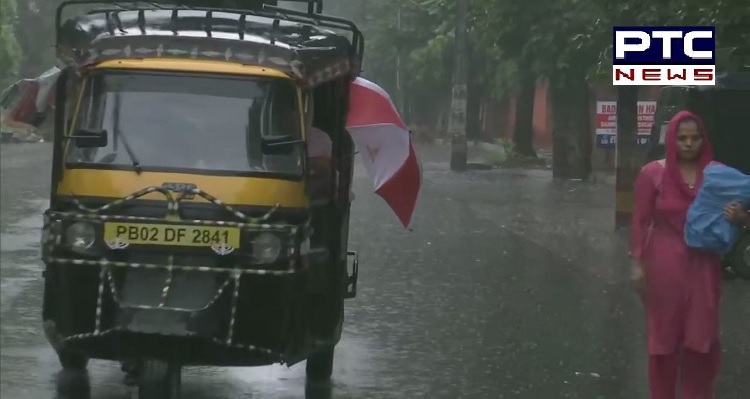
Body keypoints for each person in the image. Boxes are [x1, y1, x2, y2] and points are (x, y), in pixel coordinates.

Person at [629, 110, 748, 399]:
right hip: (663, 264)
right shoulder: (653, 174)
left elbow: (745, 206)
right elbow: (640, 220)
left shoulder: (718, 174)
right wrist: (637, 264)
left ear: (703, 140)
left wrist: (741, 217)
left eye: (695, 138)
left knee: (701, 339)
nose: (688, 144)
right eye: (682, 138)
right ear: (671, 140)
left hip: (704, 265)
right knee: (664, 342)